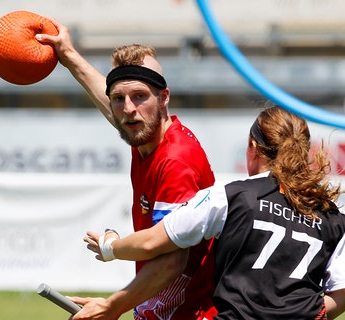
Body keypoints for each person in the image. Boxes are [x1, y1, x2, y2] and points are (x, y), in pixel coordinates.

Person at [87, 106, 345, 319]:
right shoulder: (335, 215)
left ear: (252, 146)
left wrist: (111, 246)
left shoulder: (231, 195)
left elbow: (153, 242)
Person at [38, 20, 217, 320]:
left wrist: (112, 305)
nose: (128, 109)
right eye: (119, 99)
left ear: (164, 98)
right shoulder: (145, 135)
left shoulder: (175, 160)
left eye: (140, 96)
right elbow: (114, 103)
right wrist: (67, 56)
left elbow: (172, 259)